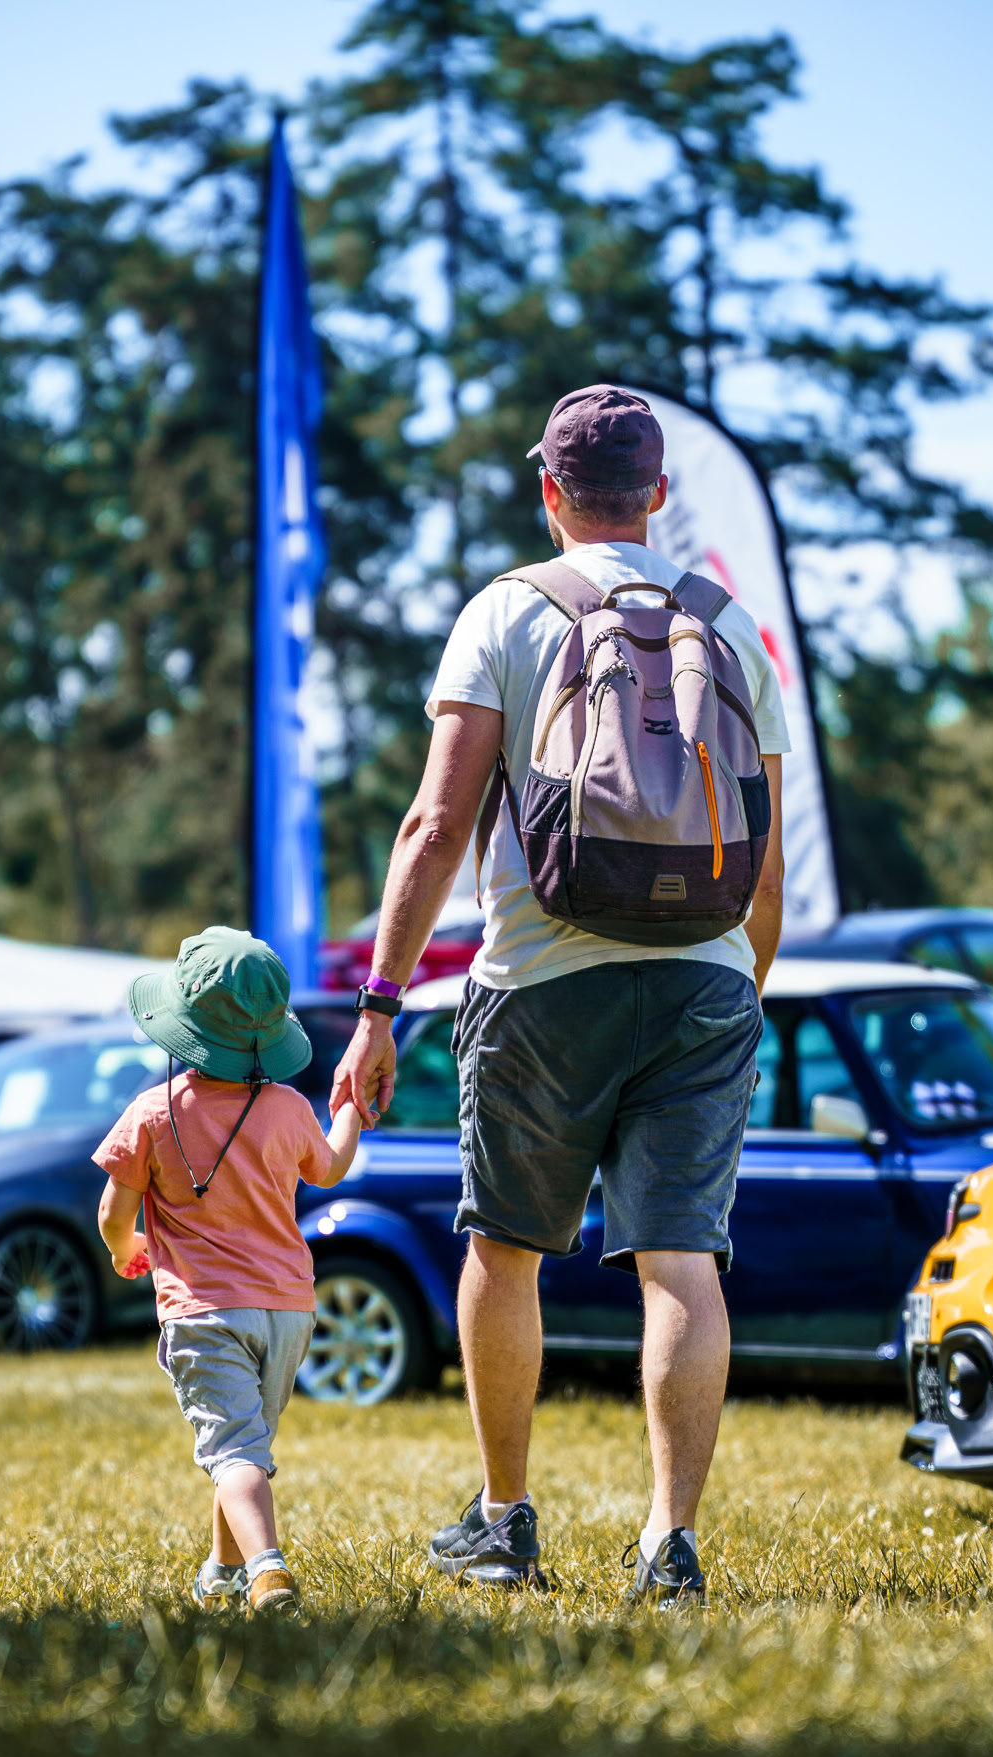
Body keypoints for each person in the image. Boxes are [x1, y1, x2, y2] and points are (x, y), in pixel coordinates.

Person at [331, 385, 789, 1607]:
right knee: (681, 1262)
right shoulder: (733, 628)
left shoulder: (507, 612)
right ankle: (669, 1546)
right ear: (657, 495)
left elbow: (435, 824)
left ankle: (505, 1519)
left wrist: (378, 1004)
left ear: (549, 493)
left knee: (507, 1245)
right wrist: (738, 993)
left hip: (539, 978)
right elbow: (768, 868)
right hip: (704, 981)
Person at [95, 926, 362, 1615]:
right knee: (242, 1446)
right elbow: (330, 1167)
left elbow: (111, 1213)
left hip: (205, 1313)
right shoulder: (287, 1109)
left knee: (235, 1450)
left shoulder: (153, 1114)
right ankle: (221, 1568)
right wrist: (351, 1113)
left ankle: (267, 1570)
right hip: (289, 1311)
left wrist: (126, 1250)